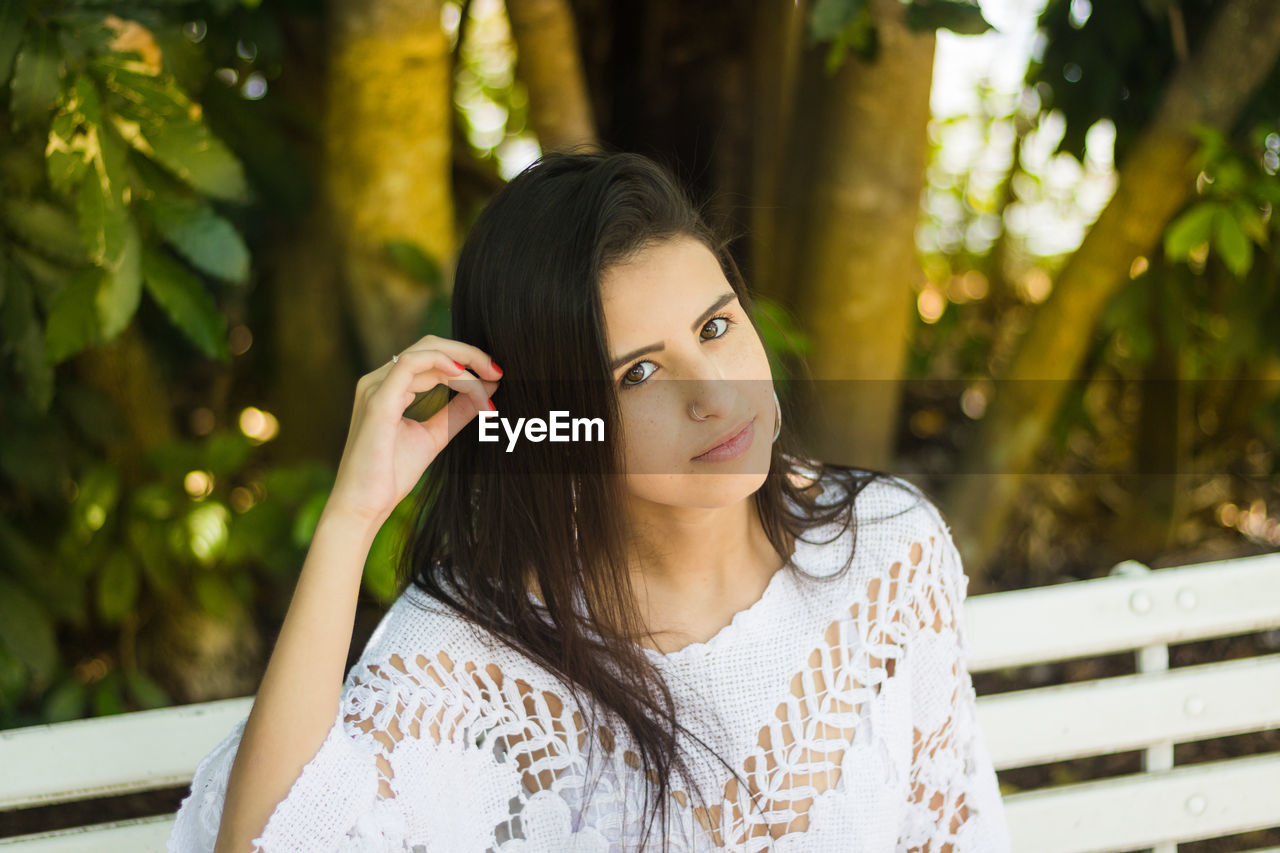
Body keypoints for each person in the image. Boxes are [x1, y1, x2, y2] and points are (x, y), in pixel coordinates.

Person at [167, 149, 1011, 852]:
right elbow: (268, 841)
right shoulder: (488, 656)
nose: (714, 393)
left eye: (716, 328)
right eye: (638, 372)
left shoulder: (887, 547)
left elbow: (948, 832)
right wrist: (352, 520)